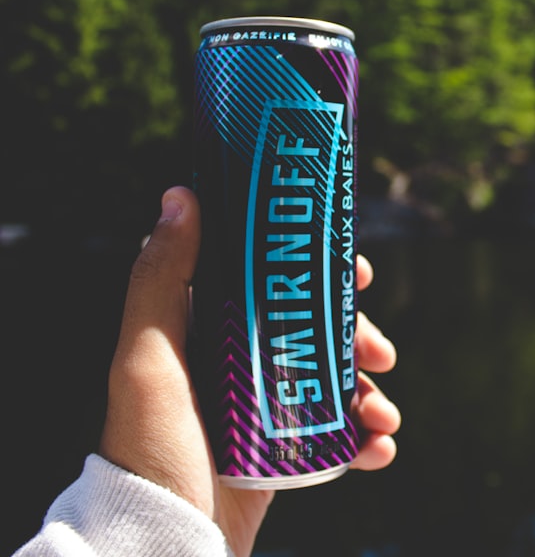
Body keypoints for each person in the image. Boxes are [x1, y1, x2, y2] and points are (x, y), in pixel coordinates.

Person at [14, 186, 401, 557]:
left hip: (246, 459)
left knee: (325, 282)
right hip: (236, 452)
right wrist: (165, 520)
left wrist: (178, 532)